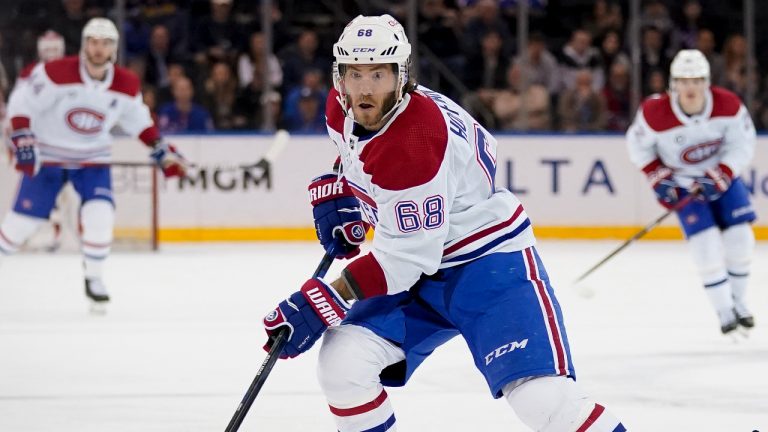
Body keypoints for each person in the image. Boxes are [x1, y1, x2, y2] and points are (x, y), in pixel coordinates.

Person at [261, 15, 625, 432]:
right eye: (353, 73)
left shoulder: (415, 141)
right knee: (343, 364)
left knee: (543, 400)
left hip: (487, 266)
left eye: (377, 74)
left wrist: (328, 298)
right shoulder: (341, 107)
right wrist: (347, 195)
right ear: (338, 75)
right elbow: (360, 160)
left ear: (402, 77)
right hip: (422, 267)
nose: (363, 88)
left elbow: (403, 260)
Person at [0, 18, 188, 307]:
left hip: (92, 159)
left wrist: (161, 150)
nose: (98, 49)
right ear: (84, 44)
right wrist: (23, 139)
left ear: (114, 48)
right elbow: (21, 104)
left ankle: (94, 277)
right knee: (19, 227)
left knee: (101, 216)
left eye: (105, 43)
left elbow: (138, 121)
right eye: (93, 42)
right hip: (50, 156)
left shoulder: (126, 83)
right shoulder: (55, 72)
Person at [626, 49, 756, 336]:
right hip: (684, 183)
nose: (691, 87)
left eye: (697, 79)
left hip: (722, 180)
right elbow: (638, 146)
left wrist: (724, 171)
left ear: (706, 81)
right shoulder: (653, 112)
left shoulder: (729, 105)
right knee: (706, 247)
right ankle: (724, 312)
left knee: (741, 241)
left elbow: (743, 144)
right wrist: (659, 178)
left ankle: (739, 302)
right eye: (684, 80)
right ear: (673, 83)